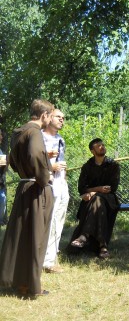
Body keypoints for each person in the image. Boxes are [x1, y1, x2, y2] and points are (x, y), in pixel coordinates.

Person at [0, 99, 54, 297]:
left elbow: (12, 159)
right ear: (44, 115)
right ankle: (32, 286)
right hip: (36, 189)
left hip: (25, 185)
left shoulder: (18, 133)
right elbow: (36, 154)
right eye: (51, 115)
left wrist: (24, 174)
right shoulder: (34, 132)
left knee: (22, 236)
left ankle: (20, 281)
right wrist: (44, 178)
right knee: (36, 238)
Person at [68, 138, 120, 259]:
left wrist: (94, 191)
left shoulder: (113, 165)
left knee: (98, 199)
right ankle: (103, 246)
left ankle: (84, 236)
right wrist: (97, 190)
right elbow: (81, 188)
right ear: (92, 151)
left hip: (109, 200)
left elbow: (113, 187)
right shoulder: (87, 167)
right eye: (99, 146)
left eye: (103, 145)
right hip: (92, 200)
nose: (102, 147)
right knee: (98, 202)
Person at [42, 109, 69, 273]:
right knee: (48, 221)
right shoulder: (39, 137)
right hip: (47, 184)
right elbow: (32, 162)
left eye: (64, 118)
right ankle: (45, 260)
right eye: (59, 117)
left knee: (59, 220)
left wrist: (64, 180)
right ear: (49, 117)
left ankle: (52, 256)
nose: (62, 120)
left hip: (61, 183)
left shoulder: (60, 139)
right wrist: (50, 166)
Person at [0, 130, 8, 226]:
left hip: (1, 183)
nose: (1, 137)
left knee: (2, 200)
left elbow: (4, 168)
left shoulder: (0, 150)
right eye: (0, 135)